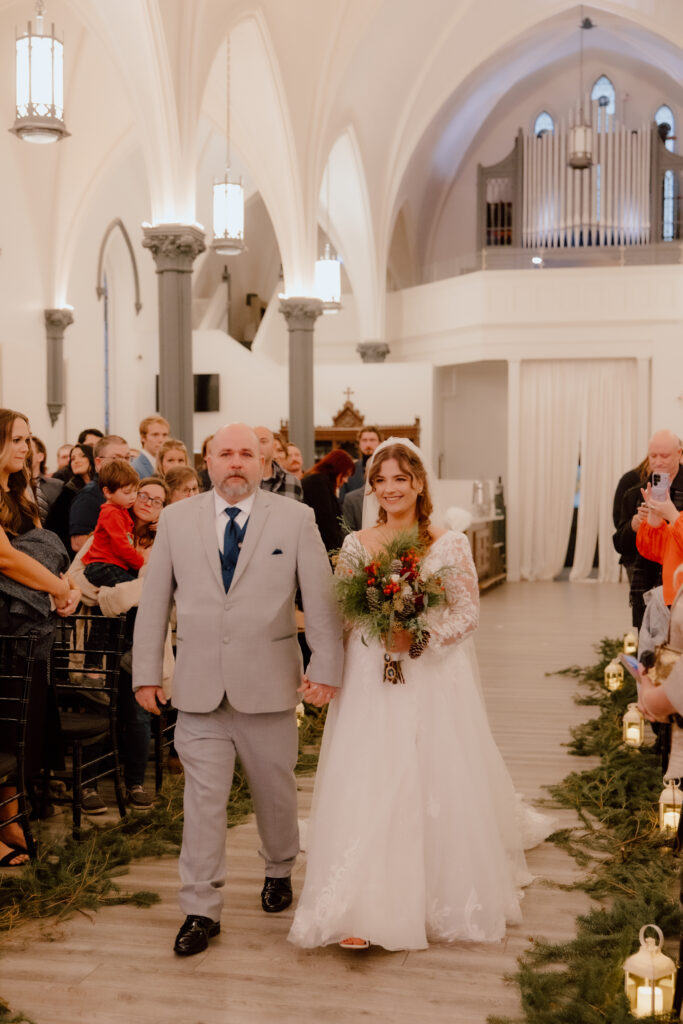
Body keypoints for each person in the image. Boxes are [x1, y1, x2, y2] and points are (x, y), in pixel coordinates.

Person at [289, 439, 553, 951]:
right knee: (372, 777)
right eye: (380, 480)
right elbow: (339, 616)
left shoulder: (447, 543)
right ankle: (361, 906)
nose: (389, 489)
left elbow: (467, 613)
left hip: (430, 677)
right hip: (370, 675)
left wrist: (421, 636)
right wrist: (325, 670)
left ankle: (435, 892)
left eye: (399, 479)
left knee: (428, 775)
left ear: (418, 483)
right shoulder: (357, 545)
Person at [131, 422, 343, 956]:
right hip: (199, 689)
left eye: (246, 453)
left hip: (270, 685)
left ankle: (278, 867)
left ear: (264, 464)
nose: (235, 462)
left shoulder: (295, 519)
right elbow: (155, 601)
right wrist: (146, 673)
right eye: (225, 453)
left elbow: (319, 601)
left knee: (274, 791)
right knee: (203, 802)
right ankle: (200, 908)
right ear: (208, 462)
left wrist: (326, 668)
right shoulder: (177, 520)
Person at [0, 410, 80, 865]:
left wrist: (58, 589)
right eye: (15, 439)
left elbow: (39, 551)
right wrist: (59, 588)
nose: (24, 448)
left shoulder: (20, 493)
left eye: (28, 440)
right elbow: (5, 558)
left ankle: (11, 814)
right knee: (2, 726)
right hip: (3, 627)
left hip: (26, 628)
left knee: (19, 728)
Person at [70, 477, 170, 811]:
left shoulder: (164, 543)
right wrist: (111, 595)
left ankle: (135, 783)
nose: (149, 502)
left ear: (162, 510)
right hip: (99, 635)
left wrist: (108, 594)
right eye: (144, 495)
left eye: (157, 500)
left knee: (137, 714)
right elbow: (74, 578)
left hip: (139, 638)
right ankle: (87, 787)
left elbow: (157, 591)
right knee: (97, 708)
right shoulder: (108, 524)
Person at [613, 430, 683, 628]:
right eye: (653, 456)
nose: (658, 461)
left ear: (679, 453)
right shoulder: (635, 492)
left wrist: (671, 516)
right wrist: (635, 525)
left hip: (679, 583)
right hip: (646, 580)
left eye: (665, 455)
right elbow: (621, 545)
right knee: (649, 648)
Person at [81, 460, 144, 587]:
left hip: (107, 565)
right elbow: (122, 546)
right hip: (103, 566)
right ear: (108, 492)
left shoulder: (121, 509)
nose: (133, 497)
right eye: (127, 492)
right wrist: (141, 562)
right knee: (133, 592)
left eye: (135, 491)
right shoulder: (111, 513)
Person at [69, 435, 129, 552]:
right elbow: (78, 543)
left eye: (127, 458)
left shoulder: (127, 491)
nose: (124, 464)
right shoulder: (88, 496)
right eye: (116, 458)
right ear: (99, 462)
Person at [301, 449, 354, 553]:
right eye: (346, 474)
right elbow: (326, 524)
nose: (346, 480)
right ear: (338, 469)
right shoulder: (317, 483)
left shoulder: (320, 482)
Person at [44, 444, 95, 552]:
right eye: (73, 459)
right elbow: (54, 528)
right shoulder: (69, 491)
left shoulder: (101, 488)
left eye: (82, 456)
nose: (76, 461)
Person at [255, 426, 303, 501]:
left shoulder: (292, 482)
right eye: (272, 450)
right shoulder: (248, 479)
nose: (275, 455)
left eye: (280, 450)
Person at [339, 426, 382, 502]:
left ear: (380, 443)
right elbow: (342, 501)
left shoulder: (387, 468)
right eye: (364, 440)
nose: (368, 444)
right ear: (359, 444)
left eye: (372, 440)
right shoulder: (349, 470)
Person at [29, 437, 63, 524]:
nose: (25, 451)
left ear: (40, 457)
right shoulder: (14, 487)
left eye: (29, 448)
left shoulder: (58, 485)